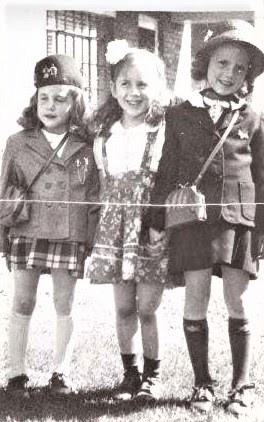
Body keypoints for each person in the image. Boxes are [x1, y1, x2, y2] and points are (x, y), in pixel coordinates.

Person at [150, 20, 264, 416]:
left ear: (248, 75)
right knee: (195, 297)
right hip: (192, 221)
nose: (230, 73)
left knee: (239, 301)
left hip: (238, 220)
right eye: (222, 63)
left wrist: (261, 234)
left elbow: (261, 177)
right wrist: (155, 220)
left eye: (240, 68)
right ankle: (202, 384)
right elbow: (165, 171)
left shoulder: (252, 118)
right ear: (205, 63)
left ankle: (241, 385)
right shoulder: (180, 114)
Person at [0, 54, 99, 395]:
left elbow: (94, 197)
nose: (50, 105)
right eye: (44, 97)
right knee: (22, 301)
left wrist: (91, 239)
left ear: (77, 103)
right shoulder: (17, 142)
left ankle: (61, 373)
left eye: (60, 98)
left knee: (64, 303)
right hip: (26, 231)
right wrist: (2, 237)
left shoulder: (88, 146)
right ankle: (15, 374)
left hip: (69, 234)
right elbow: (3, 191)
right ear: (34, 101)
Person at [87, 40, 169, 401]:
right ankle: (130, 375)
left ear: (158, 88)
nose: (134, 93)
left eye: (143, 85)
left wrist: (161, 223)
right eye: (126, 84)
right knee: (123, 307)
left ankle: (153, 376)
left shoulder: (162, 131)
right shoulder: (104, 135)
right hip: (114, 228)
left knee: (147, 308)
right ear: (113, 87)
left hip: (150, 225)